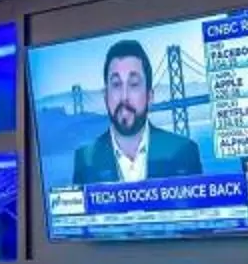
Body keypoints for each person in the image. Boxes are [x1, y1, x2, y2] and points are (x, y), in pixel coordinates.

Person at [69, 39, 203, 185]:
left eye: (133, 84)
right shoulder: (85, 159)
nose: (124, 96)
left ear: (150, 96)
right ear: (105, 96)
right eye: (116, 84)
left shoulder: (184, 152)